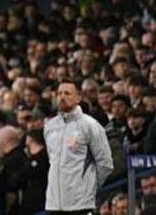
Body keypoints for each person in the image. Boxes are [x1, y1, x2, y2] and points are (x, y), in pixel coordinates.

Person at [44, 81, 114, 215]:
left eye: (67, 93)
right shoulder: (49, 127)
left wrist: (87, 188)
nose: (62, 97)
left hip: (80, 204)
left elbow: (105, 163)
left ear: (78, 97)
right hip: (53, 203)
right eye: (59, 93)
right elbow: (52, 160)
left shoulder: (91, 125)